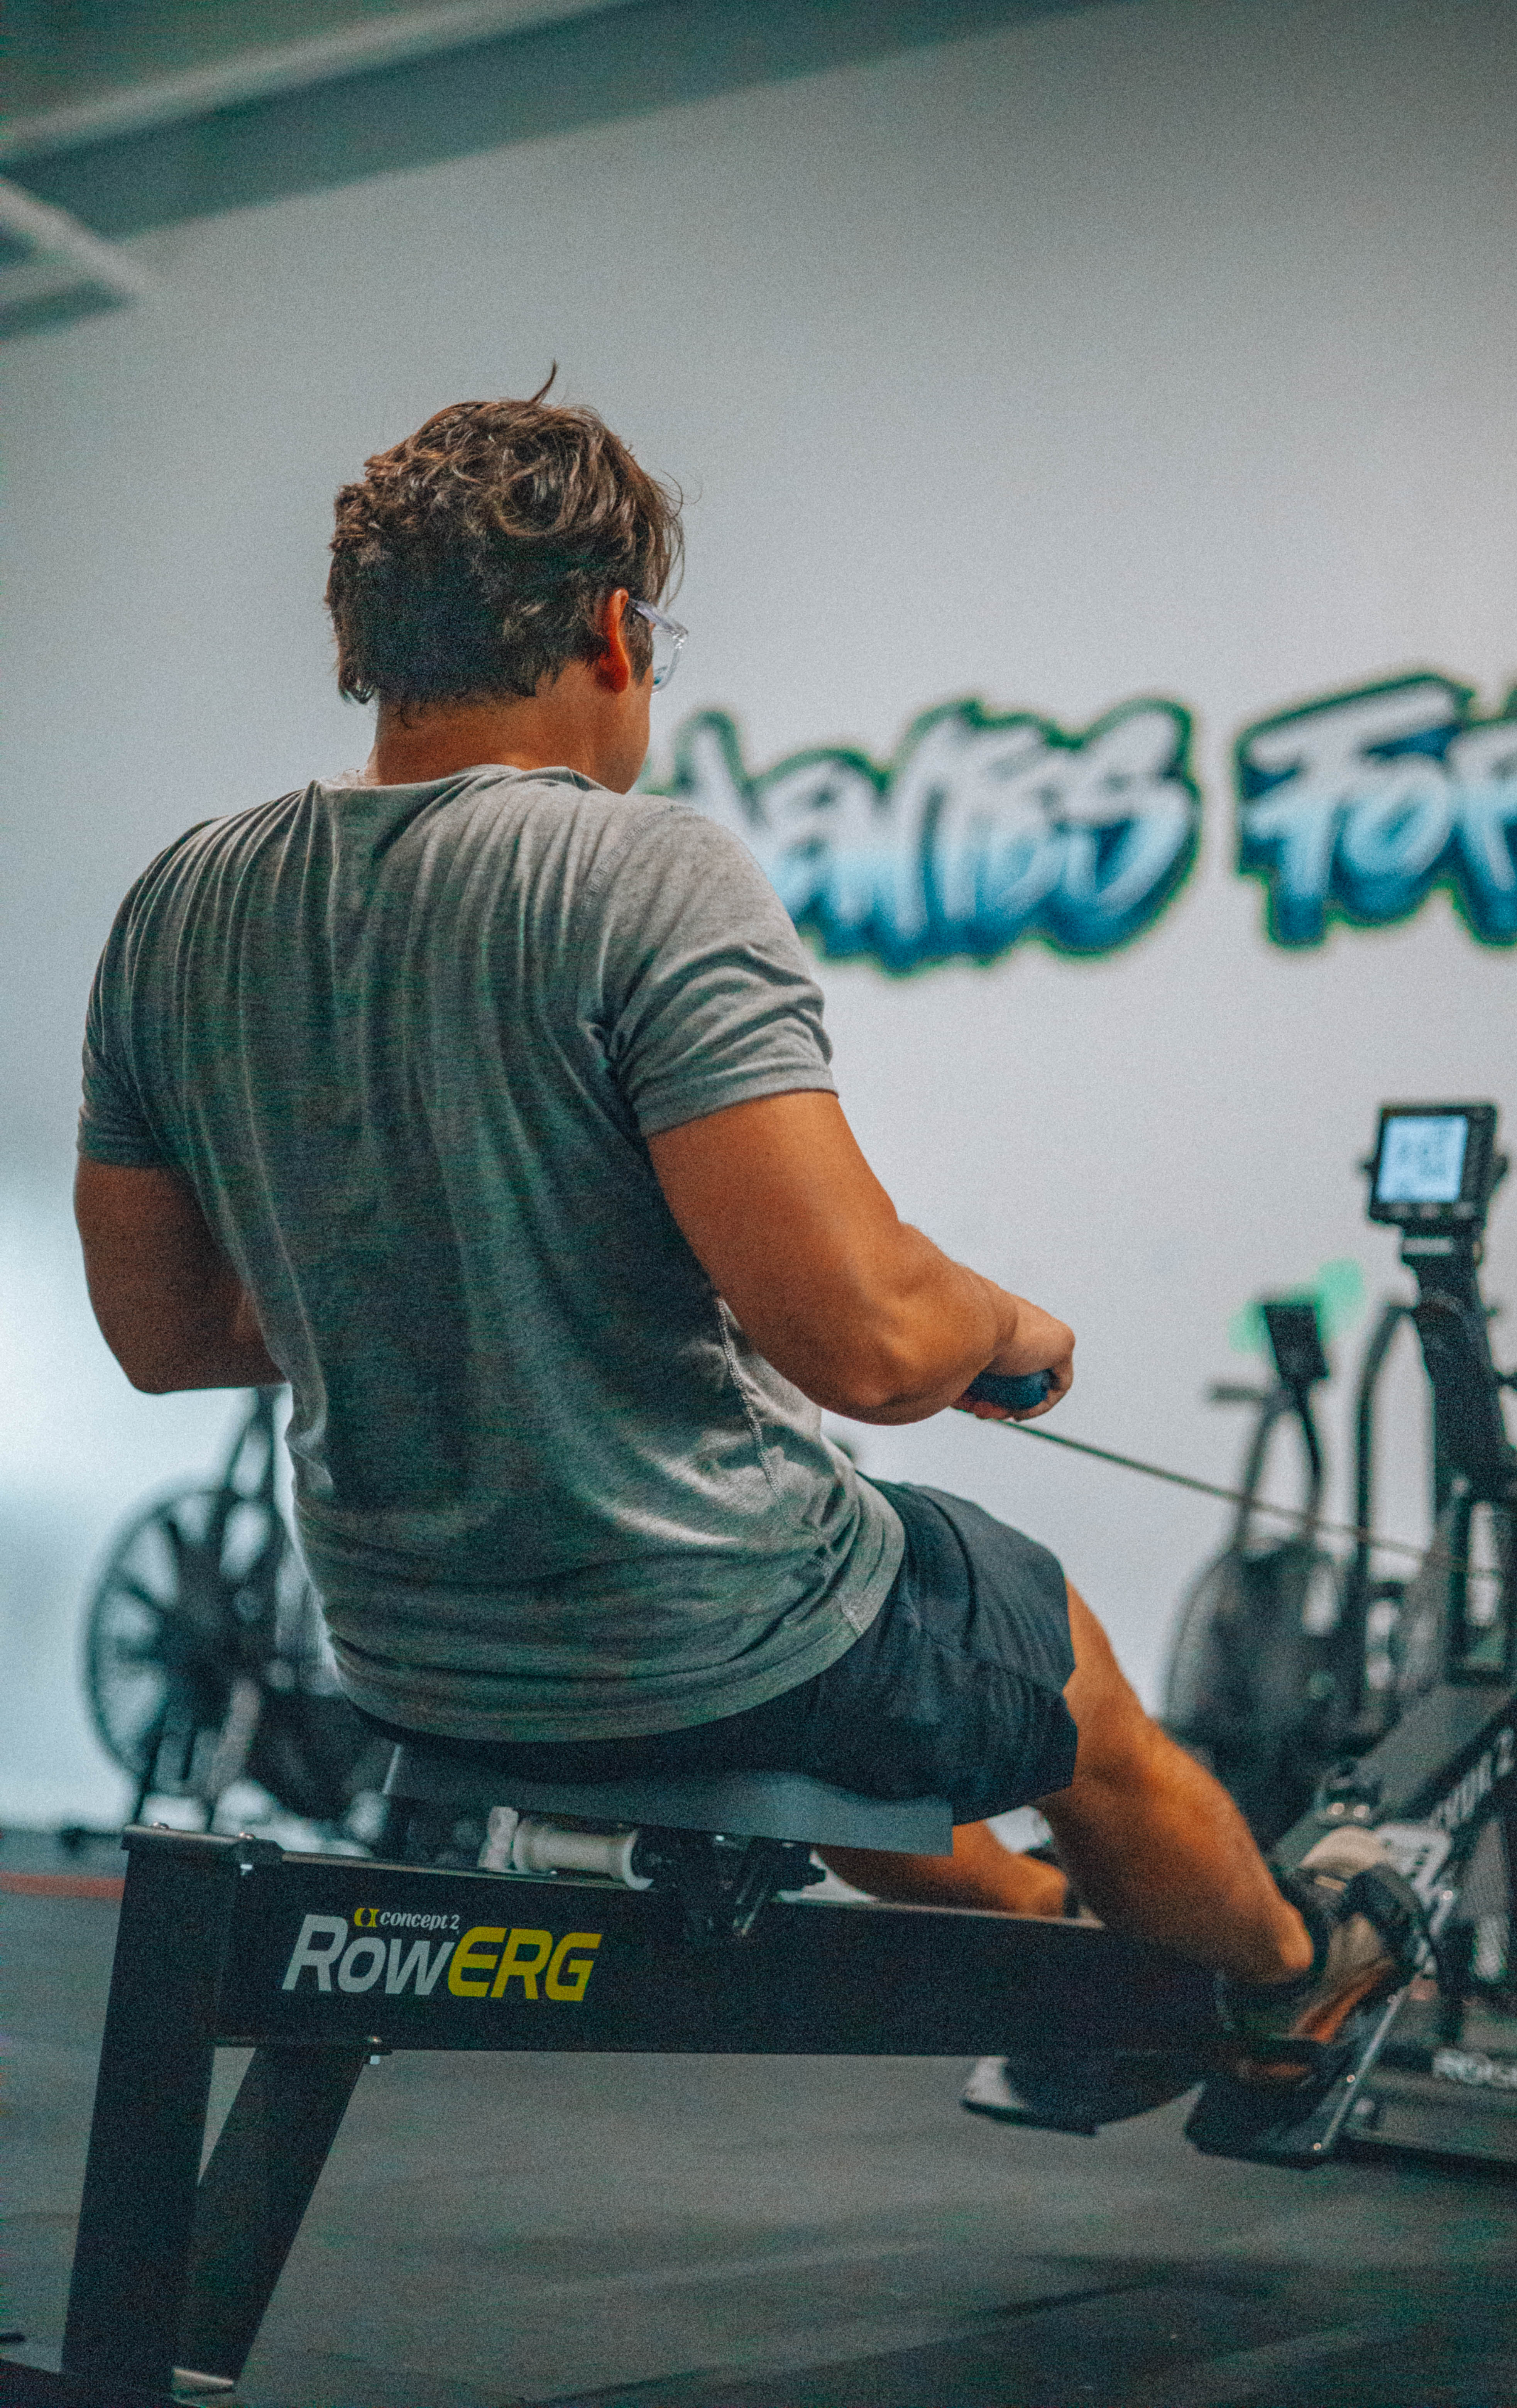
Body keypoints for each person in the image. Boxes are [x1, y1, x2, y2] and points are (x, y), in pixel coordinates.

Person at [74, 383, 1417, 2129]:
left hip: (409, 1662)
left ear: (371, 644)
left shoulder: (183, 902)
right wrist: (1009, 1324)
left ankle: (1066, 1953)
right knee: (1045, 1658)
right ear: (613, 630)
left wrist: (466, 1263)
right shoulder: (640, 871)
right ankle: (1296, 1972)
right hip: (698, 1627)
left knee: (878, 1645)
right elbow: (869, 1340)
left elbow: (168, 1334)